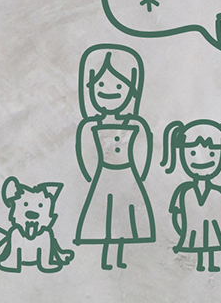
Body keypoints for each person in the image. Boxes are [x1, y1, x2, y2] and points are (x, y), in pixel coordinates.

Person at [72, 43, 155, 271]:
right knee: (105, 220)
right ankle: (107, 261)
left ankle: (119, 260)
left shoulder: (134, 124)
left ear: (132, 90)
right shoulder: (90, 125)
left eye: (119, 85)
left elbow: (145, 152)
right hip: (104, 175)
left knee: (123, 221)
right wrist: (94, 177)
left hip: (127, 174)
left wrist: (138, 175)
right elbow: (83, 154)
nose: (108, 90)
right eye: (100, 84)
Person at [161, 117, 221, 274]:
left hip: (214, 233)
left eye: (212, 153)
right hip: (191, 234)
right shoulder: (184, 191)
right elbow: (176, 213)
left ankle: (209, 263)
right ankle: (197, 263)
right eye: (192, 152)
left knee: (211, 244)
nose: (201, 159)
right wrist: (182, 231)